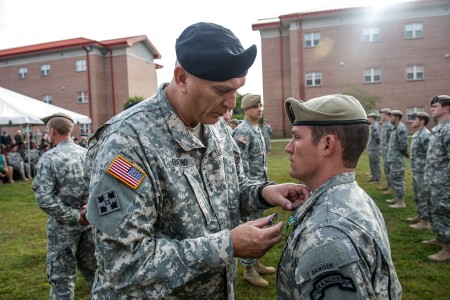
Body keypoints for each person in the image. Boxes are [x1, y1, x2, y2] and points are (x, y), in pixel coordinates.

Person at [85, 22, 309, 299]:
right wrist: (227, 246)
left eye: (237, 89)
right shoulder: (126, 143)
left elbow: (229, 189)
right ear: (181, 79)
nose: (231, 103)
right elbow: (123, 263)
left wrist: (265, 192)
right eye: (221, 90)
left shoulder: (214, 127)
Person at [278, 94, 402, 299]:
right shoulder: (354, 195)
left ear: (327, 145)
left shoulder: (327, 233)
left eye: (297, 137)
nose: (288, 147)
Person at [32, 112, 96, 299]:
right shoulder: (87, 154)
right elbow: (100, 188)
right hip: (90, 222)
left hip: (63, 229)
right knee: (96, 276)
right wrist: (87, 212)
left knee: (62, 281)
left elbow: (44, 198)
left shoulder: (49, 158)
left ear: (52, 132)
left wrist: (74, 216)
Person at [232, 94, 275, 287]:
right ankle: (248, 270)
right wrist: (250, 190)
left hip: (259, 187)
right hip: (250, 190)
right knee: (252, 226)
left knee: (260, 224)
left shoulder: (256, 128)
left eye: (260, 105)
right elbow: (240, 165)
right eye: (255, 106)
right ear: (246, 110)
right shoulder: (242, 131)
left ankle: (255, 263)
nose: (260, 108)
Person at [421, 95, 450, 262]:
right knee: (436, 210)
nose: (432, 108)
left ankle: (448, 248)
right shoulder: (439, 128)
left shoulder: (448, 129)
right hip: (434, 180)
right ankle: (440, 237)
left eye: (436, 106)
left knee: (444, 212)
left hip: (444, 182)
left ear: (446, 108)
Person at [407, 112, 431, 230]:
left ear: (422, 121)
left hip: (423, 171)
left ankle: (425, 222)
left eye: (415, 119)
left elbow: (430, 154)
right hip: (417, 170)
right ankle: (420, 215)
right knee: (417, 194)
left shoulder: (426, 135)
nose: (412, 122)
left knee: (423, 196)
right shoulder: (418, 133)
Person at [385, 110, 409, 208]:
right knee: (394, 177)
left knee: (398, 179)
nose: (390, 118)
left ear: (398, 117)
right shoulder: (394, 128)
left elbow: (403, 145)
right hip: (392, 158)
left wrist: (402, 155)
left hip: (397, 159)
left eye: (392, 117)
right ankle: (397, 197)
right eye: (390, 116)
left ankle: (401, 201)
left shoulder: (401, 128)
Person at [378, 108, 392, 192]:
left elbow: (391, 139)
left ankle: (391, 187)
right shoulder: (384, 124)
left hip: (389, 151)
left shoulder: (390, 125)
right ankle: (388, 185)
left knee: (389, 169)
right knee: (386, 169)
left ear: (387, 115)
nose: (381, 116)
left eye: (382, 114)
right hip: (384, 150)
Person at [367, 112, 381, 183]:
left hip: (375, 148)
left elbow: (378, 137)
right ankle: (374, 176)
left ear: (372, 118)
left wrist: (377, 146)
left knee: (375, 163)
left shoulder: (375, 126)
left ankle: (377, 178)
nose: (367, 119)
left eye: (369, 118)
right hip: (371, 148)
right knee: (372, 162)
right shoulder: (372, 126)